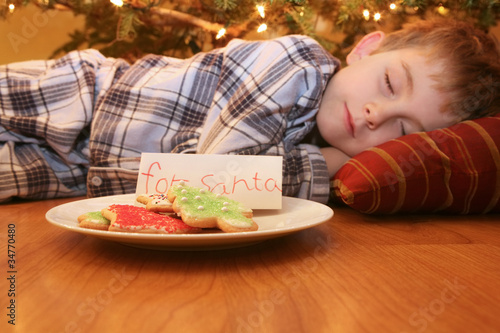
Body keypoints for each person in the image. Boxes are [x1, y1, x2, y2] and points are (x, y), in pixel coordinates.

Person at [1, 18, 499, 203]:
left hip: (75, 175)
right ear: (367, 47)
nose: (374, 114)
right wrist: (322, 168)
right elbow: (201, 184)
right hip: (76, 97)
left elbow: (166, 192)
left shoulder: (312, 147)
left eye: (401, 128)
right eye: (390, 83)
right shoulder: (297, 62)